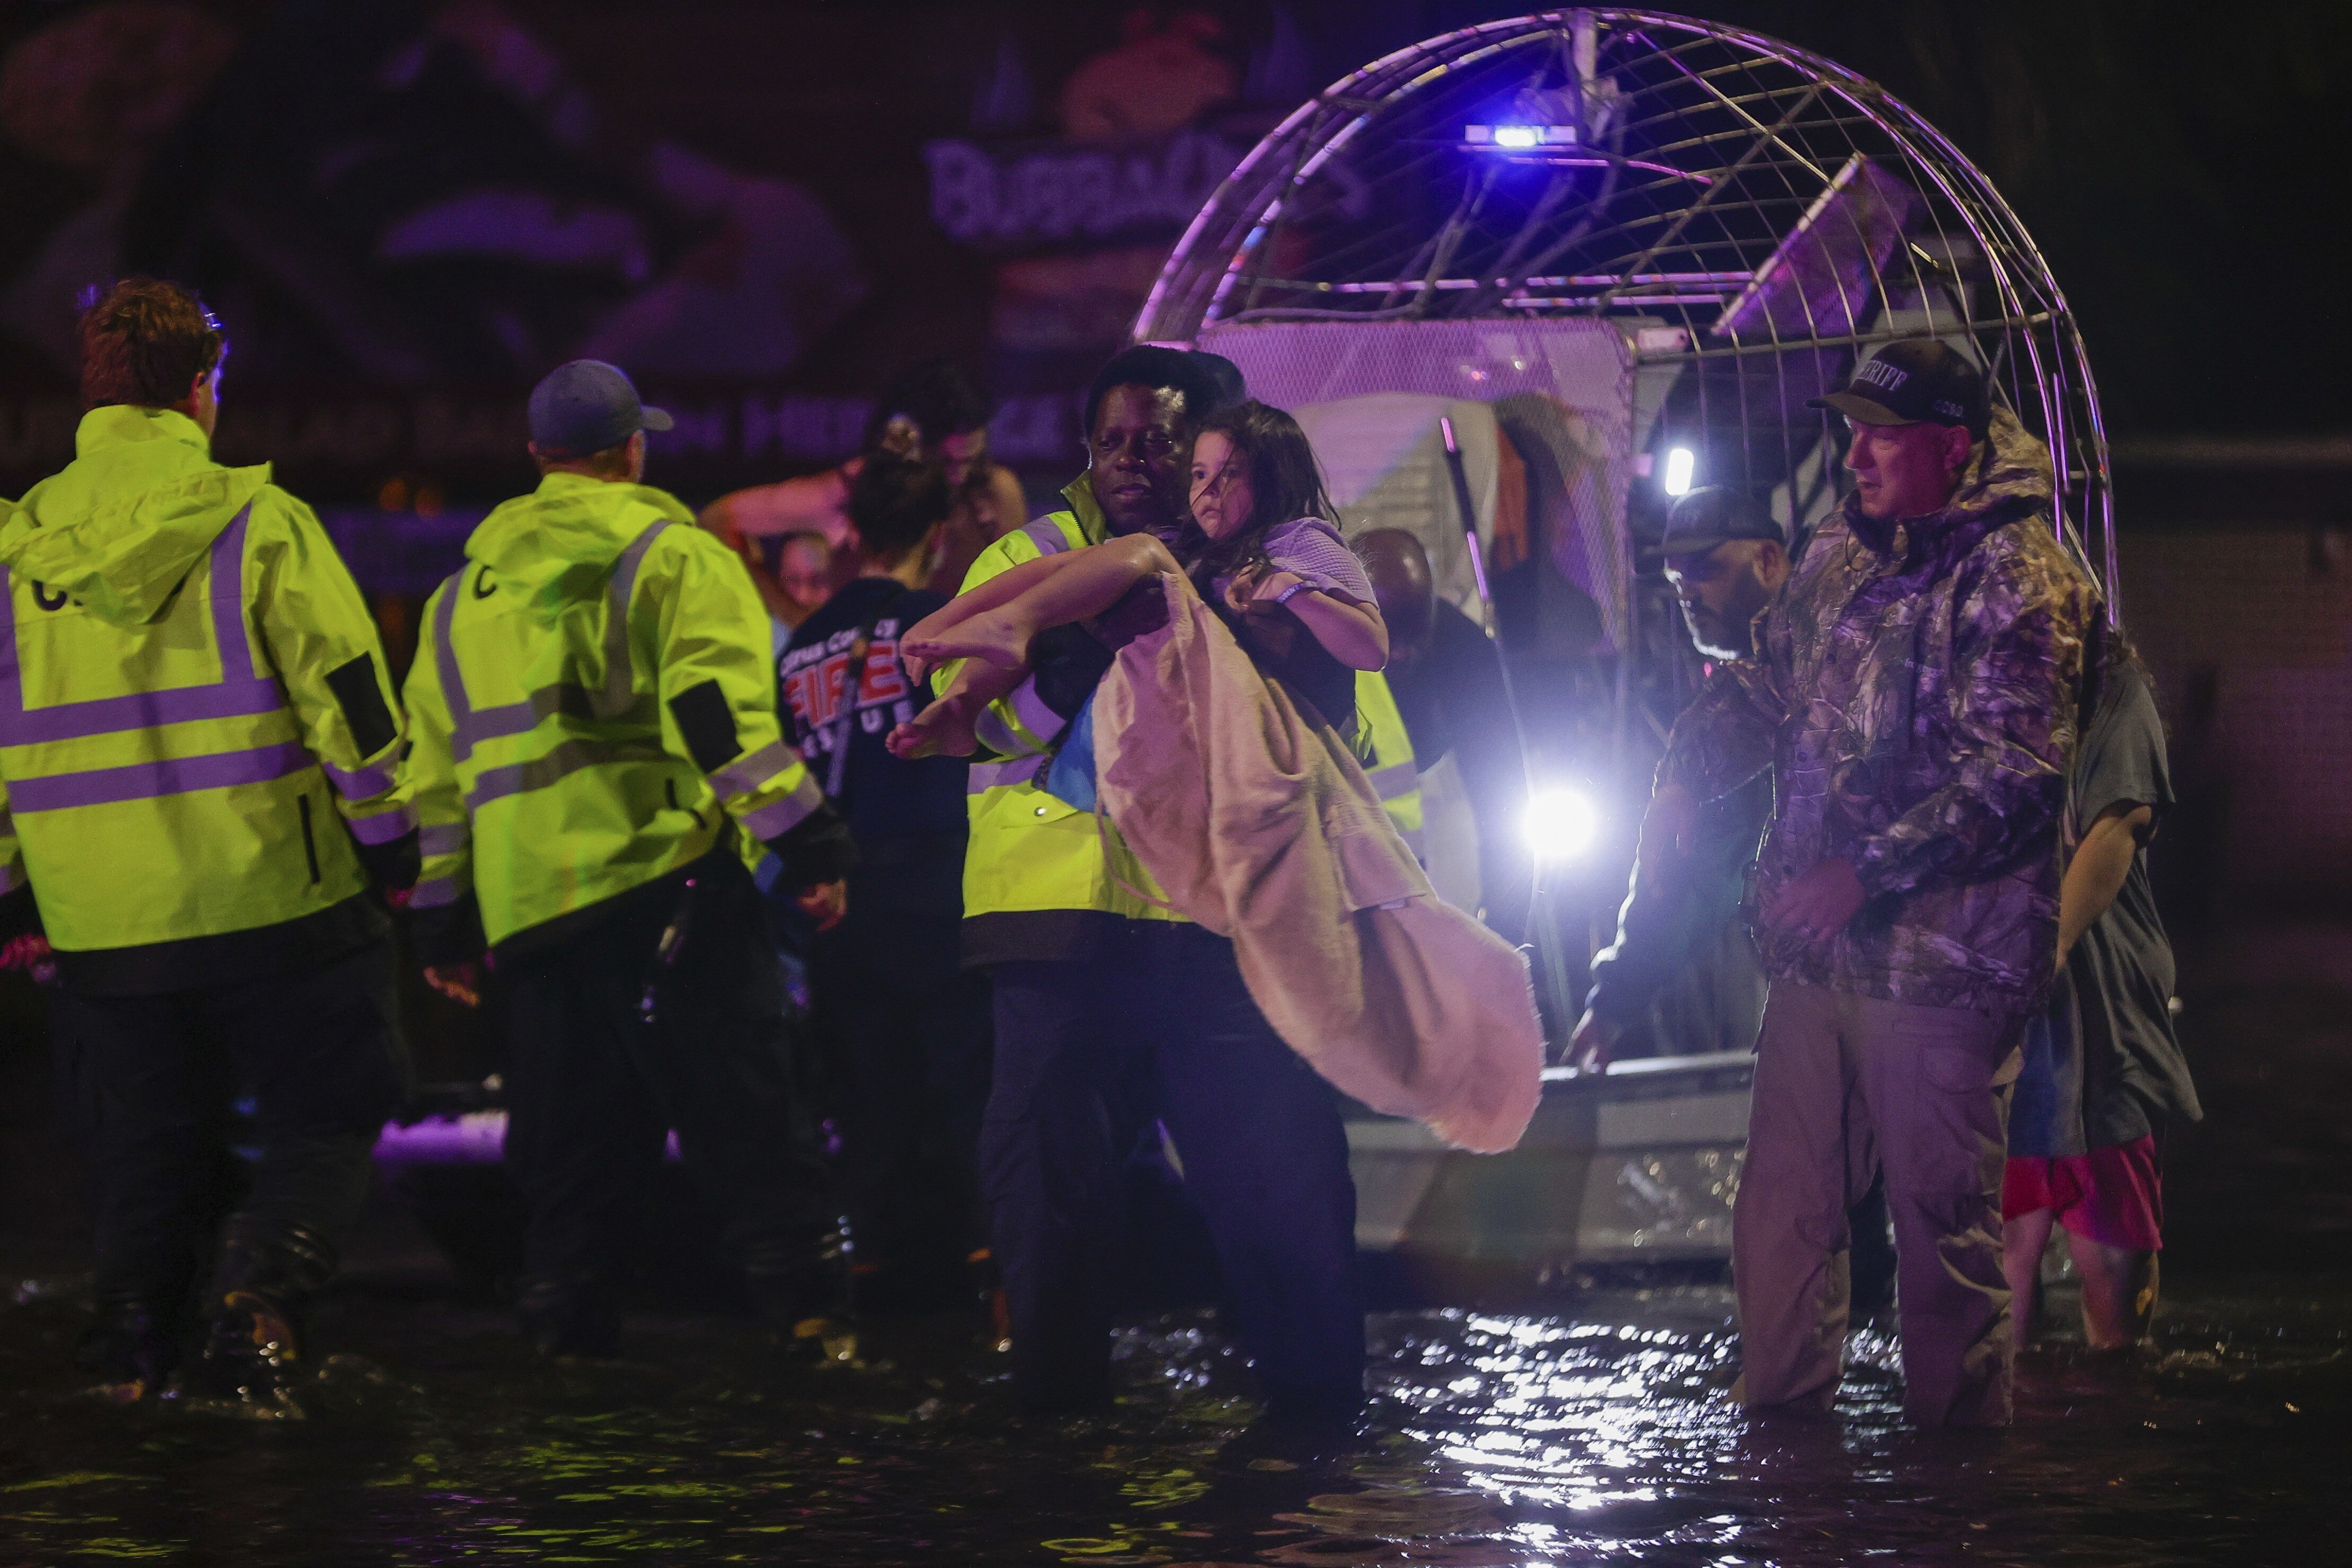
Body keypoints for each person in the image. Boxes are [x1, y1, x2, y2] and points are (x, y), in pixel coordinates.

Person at [1657, 338, 2094, 1426]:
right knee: (1782, 1217)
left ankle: (1952, 1492)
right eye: (1849, 430)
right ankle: (1787, 1477)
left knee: (1940, 1234)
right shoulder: (1833, 557)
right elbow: (1771, 684)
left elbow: (2019, 776)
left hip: (1944, 965)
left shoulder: (2021, 573)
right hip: (1817, 958)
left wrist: (1863, 871)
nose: (1854, 454)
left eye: (1881, 433)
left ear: (1950, 445)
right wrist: (1682, 769)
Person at [0, 277, 416, 1399]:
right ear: (200, 389)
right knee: (330, 1101)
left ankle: (130, 1350)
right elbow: (355, 707)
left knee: (143, 1150)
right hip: (274, 897)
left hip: (98, 923)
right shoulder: (257, 522)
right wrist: (392, 846)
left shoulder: (14, 549)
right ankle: (259, 1302)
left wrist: (12, 898)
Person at [941, 345, 1366, 1423]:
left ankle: (1318, 1420)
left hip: (1215, 925)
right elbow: (975, 722)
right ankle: (1054, 1412)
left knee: (1283, 1174)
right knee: (1046, 1192)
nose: (1134, 458)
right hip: (1059, 925)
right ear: (1085, 450)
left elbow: (1341, 728)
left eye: (1161, 439)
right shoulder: (1031, 555)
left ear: (1213, 448)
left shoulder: (1273, 561)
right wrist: (1080, 662)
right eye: (1113, 438)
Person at [400, 358, 857, 1360]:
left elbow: (432, 784)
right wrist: (811, 842)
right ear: (633, 449)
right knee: (752, 1123)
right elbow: (719, 721)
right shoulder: (676, 557)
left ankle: (565, 1342)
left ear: (539, 459)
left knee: (568, 1157)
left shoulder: (455, 602)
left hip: (530, 915)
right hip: (669, 886)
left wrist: (441, 920)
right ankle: (818, 1330)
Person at [777, 453, 994, 1307]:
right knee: (973, 1095)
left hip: (843, 904)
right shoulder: (942, 624)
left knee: (867, 1104)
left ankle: (864, 1301)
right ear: (937, 536)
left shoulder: (801, 645)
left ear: (852, 535)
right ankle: (1001, 1295)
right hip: (941, 894)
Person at [889, 399, 1387, 760]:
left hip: (1281, 748)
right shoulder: (1189, 544)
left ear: (1275, 478)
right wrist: (946, 617)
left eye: (1230, 474)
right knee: (1099, 573)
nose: (1209, 490)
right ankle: (963, 703)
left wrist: (1293, 592)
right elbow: (1052, 569)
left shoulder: (1300, 539)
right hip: (1203, 746)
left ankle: (1008, 630)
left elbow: (1371, 647)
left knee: (1141, 552)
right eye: (1197, 474)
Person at [2003, 635, 2200, 1351]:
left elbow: (2119, 820)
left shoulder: (2108, 682)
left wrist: (2046, 949)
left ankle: (2107, 1430)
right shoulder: (1951, 677)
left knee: (2112, 1268)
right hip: (1998, 1029)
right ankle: (2000, 1443)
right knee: (1998, 1271)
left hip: (2101, 1015)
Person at [1570, 488, 1786, 1070]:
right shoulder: (1743, 699)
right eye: (1675, 576)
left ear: (1769, 559)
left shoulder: (1818, 672)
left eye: (1705, 568)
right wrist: (1613, 1001)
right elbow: (1688, 871)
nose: (1685, 591)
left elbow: (1690, 874)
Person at [701, 361, 1029, 608]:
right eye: (945, 464)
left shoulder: (995, 496)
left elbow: (1020, 603)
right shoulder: (852, 490)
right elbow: (718, 518)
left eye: (972, 460)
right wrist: (794, 620)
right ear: (907, 442)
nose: (959, 477)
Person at [1354, 529, 1529, 939]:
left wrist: (1505, 928)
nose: (1400, 653)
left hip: (1441, 805)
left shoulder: (1464, 651)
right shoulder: (1316, 648)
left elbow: (1501, 792)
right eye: (1390, 633)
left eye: (1414, 634)